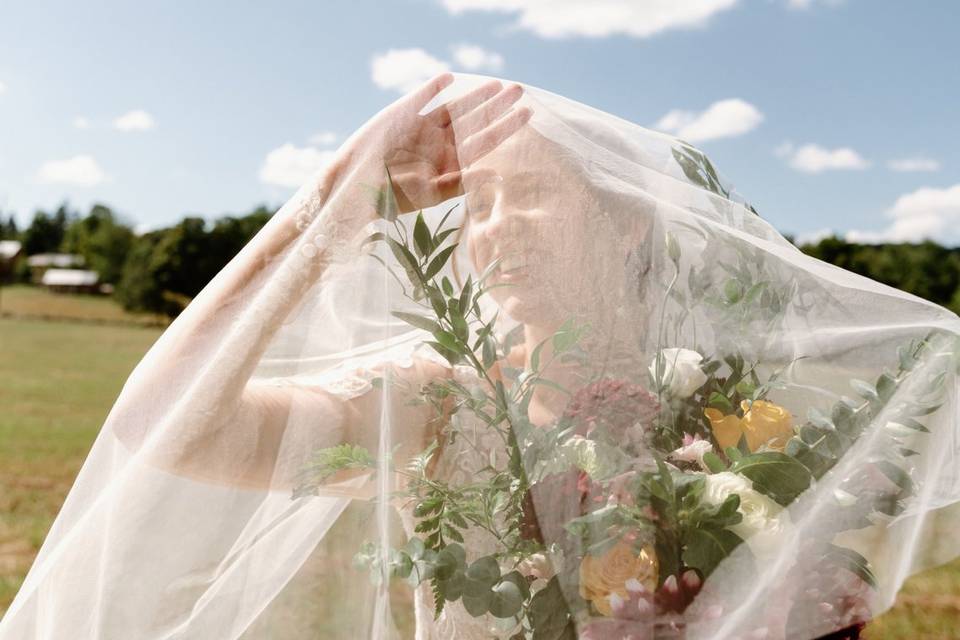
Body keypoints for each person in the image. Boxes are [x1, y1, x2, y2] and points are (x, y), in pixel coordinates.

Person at [2, 72, 960, 640]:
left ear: (631, 229)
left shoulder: (737, 424)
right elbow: (164, 427)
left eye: (526, 198)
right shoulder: (441, 404)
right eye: (477, 207)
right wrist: (330, 211)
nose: (487, 234)